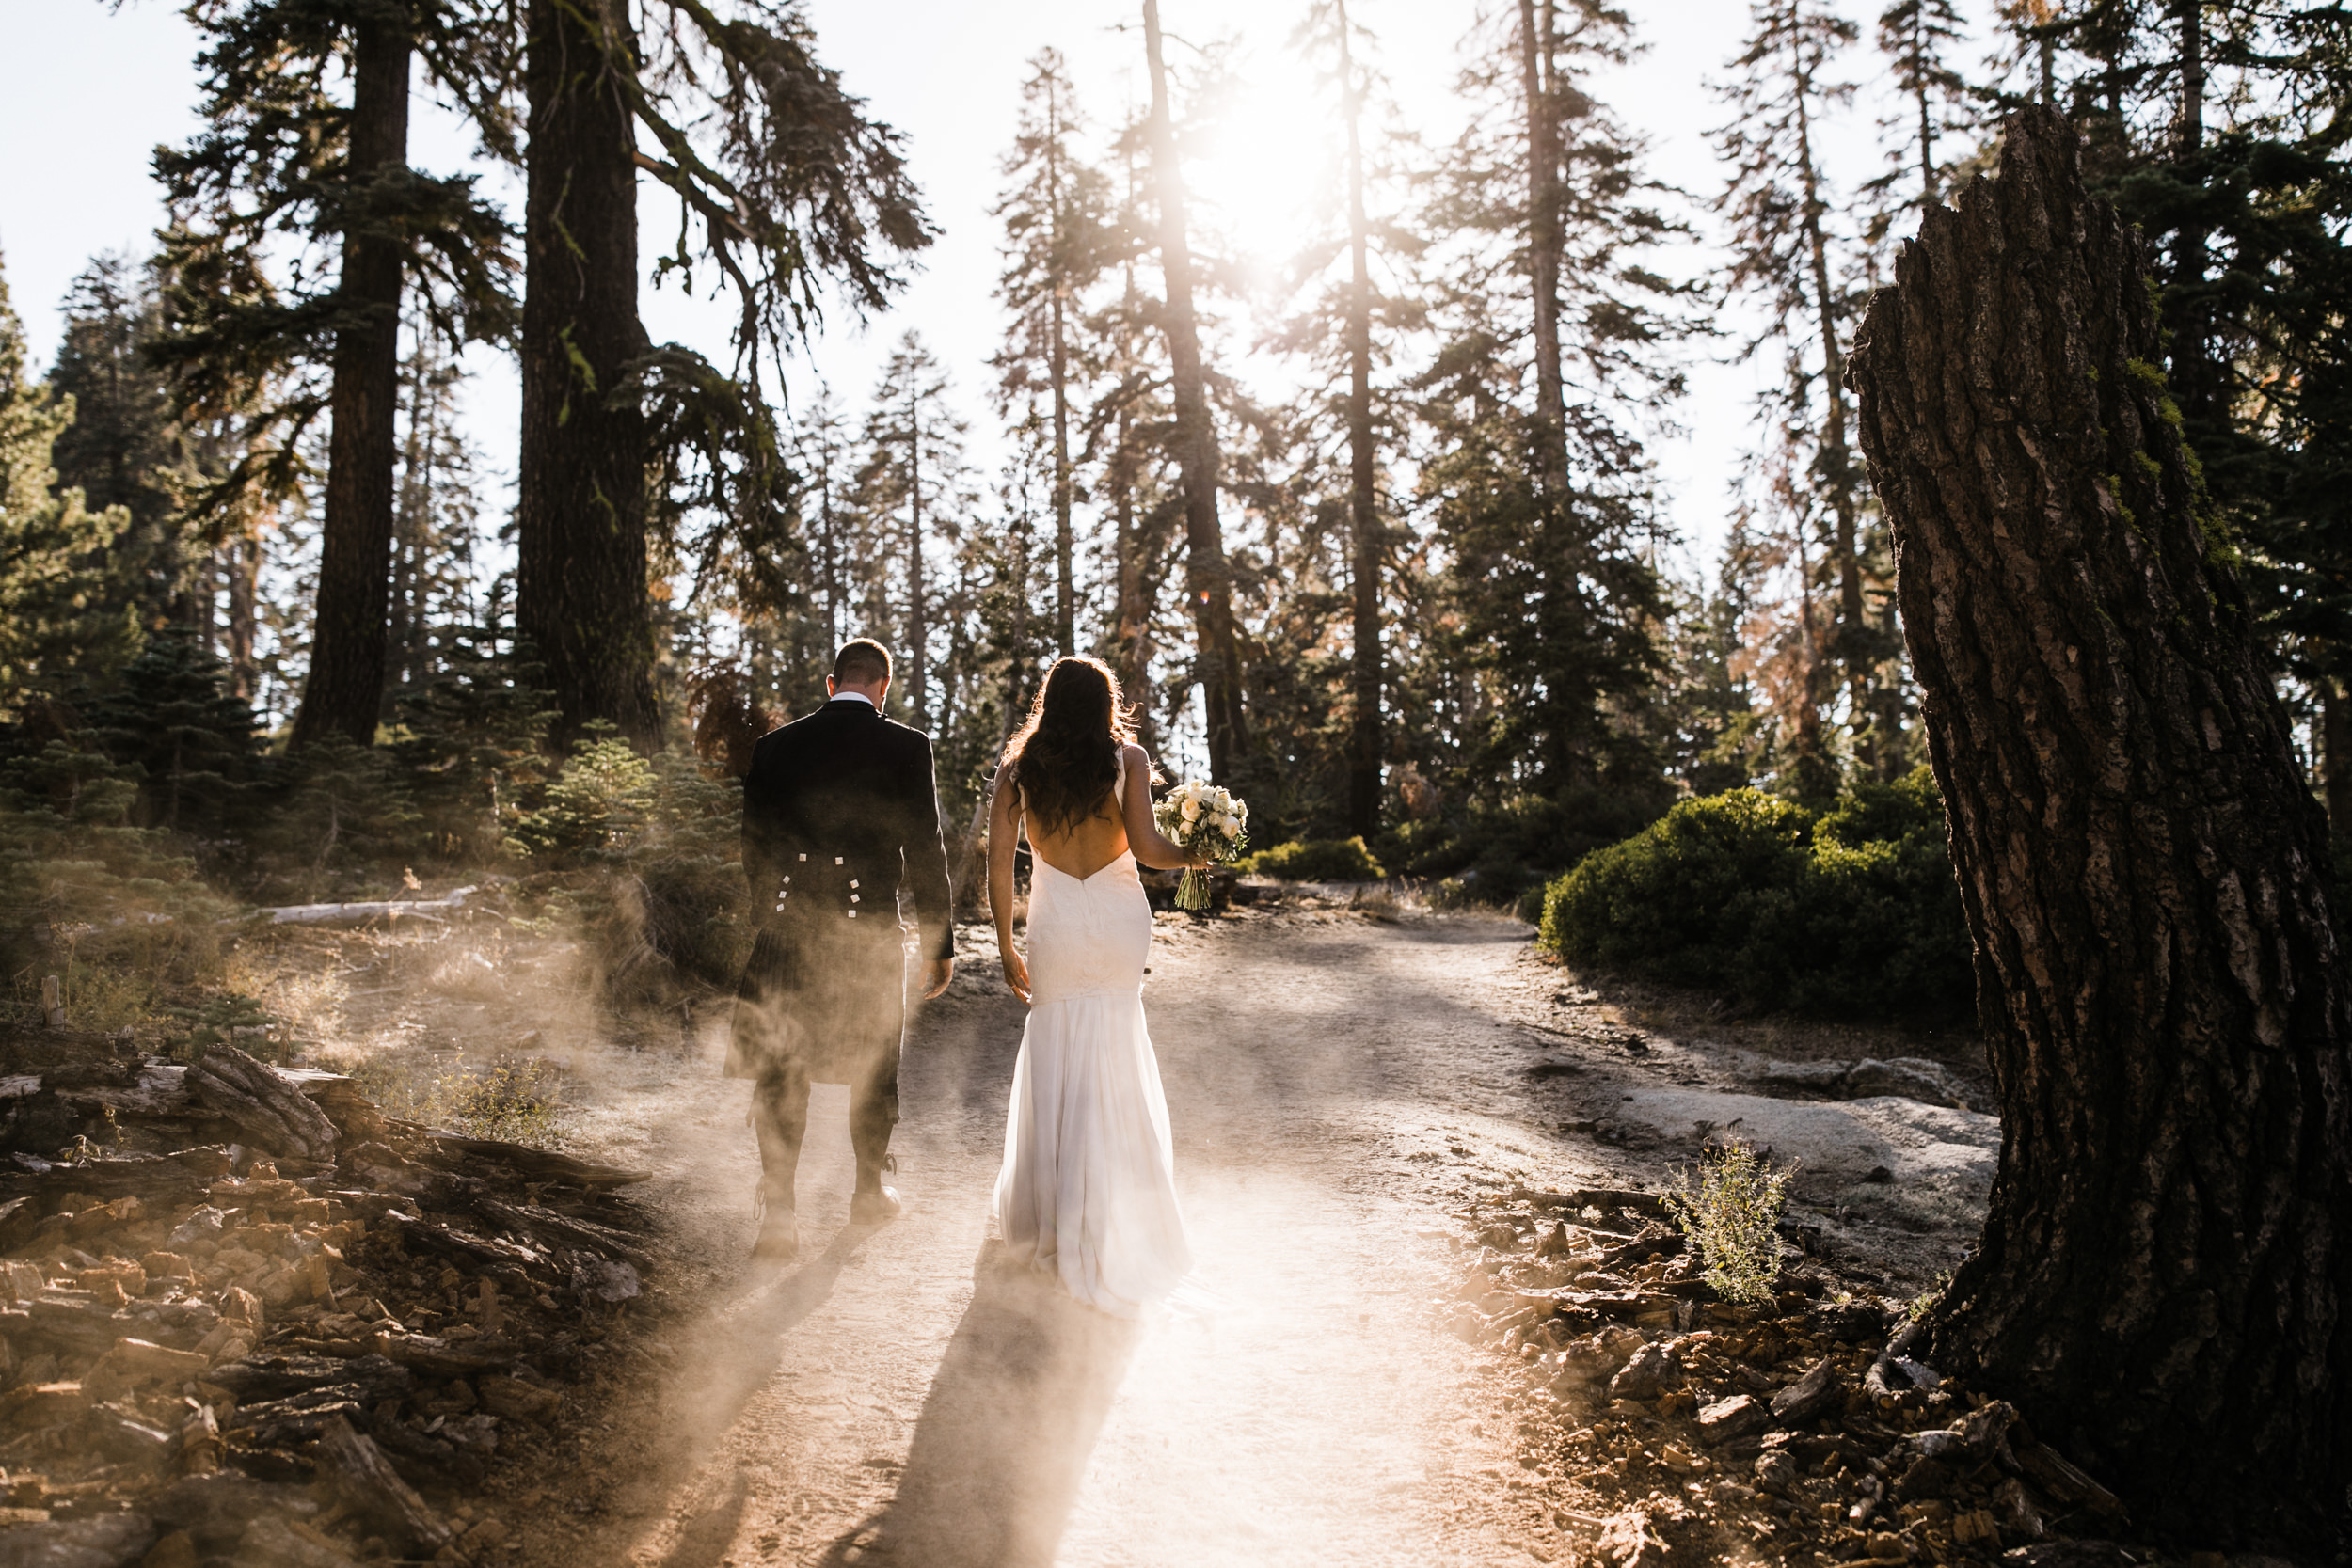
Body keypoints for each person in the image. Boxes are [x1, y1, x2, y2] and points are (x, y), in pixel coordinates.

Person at [986, 656, 1206, 1317]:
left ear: (1048, 703)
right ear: (1105, 703)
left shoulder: (1017, 770)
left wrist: (1004, 941)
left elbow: (1000, 865)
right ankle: (1114, 1215)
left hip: (1053, 923)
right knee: (1111, 1044)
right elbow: (1147, 848)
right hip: (1115, 921)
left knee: (1055, 1046)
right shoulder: (1128, 760)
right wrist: (1195, 851)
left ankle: (1053, 1216)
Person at [729, 639, 955, 1261]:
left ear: (833, 684)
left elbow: (754, 845)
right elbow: (925, 849)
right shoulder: (907, 746)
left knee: (782, 1071)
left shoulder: (776, 746)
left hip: (788, 933)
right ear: (883, 685)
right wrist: (940, 941)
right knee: (874, 1067)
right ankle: (866, 1193)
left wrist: (769, 917)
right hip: (870, 937)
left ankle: (778, 1219)